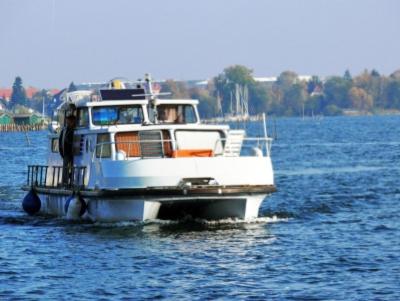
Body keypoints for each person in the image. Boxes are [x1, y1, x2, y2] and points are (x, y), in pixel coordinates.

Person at [59, 113, 76, 186]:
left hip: (74, 153)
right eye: (67, 120)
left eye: (69, 120)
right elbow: (61, 142)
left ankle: (72, 181)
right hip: (66, 153)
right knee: (65, 167)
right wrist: (62, 152)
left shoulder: (74, 130)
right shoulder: (65, 130)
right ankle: (65, 182)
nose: (68, 122)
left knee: (73, 167)